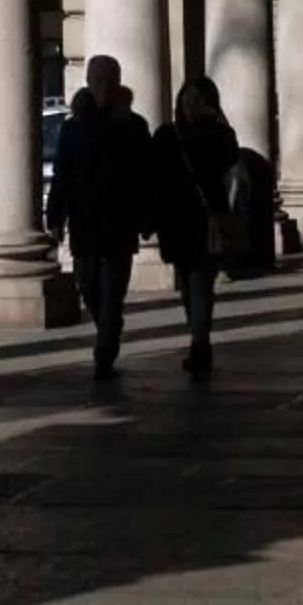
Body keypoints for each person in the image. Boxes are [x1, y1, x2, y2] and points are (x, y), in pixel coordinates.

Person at [44, 53, 155, 378]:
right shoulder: (73, 127)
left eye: (109, 80)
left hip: (120, 219)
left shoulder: (134, 126)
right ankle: (108, 325)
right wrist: (56, 218)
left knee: (113, 288)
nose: (102, 86)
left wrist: (147, 215)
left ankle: (105, 343)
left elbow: (145, 174)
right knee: (88, 285)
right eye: (97, 80)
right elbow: (63, 174)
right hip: (84, 218)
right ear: (88, 83)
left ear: (118, 83)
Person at [150, 76, 242, 376]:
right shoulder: (168, 135)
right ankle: (198, 335)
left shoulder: (218, 134)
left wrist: (210, 125)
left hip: (206, 222)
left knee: (200, 283)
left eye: (198, 101)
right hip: (177, 223)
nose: (191, 106)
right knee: (189, 288)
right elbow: (155, 176)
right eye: (187, 100)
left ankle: (200, 344)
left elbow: (229, 161)